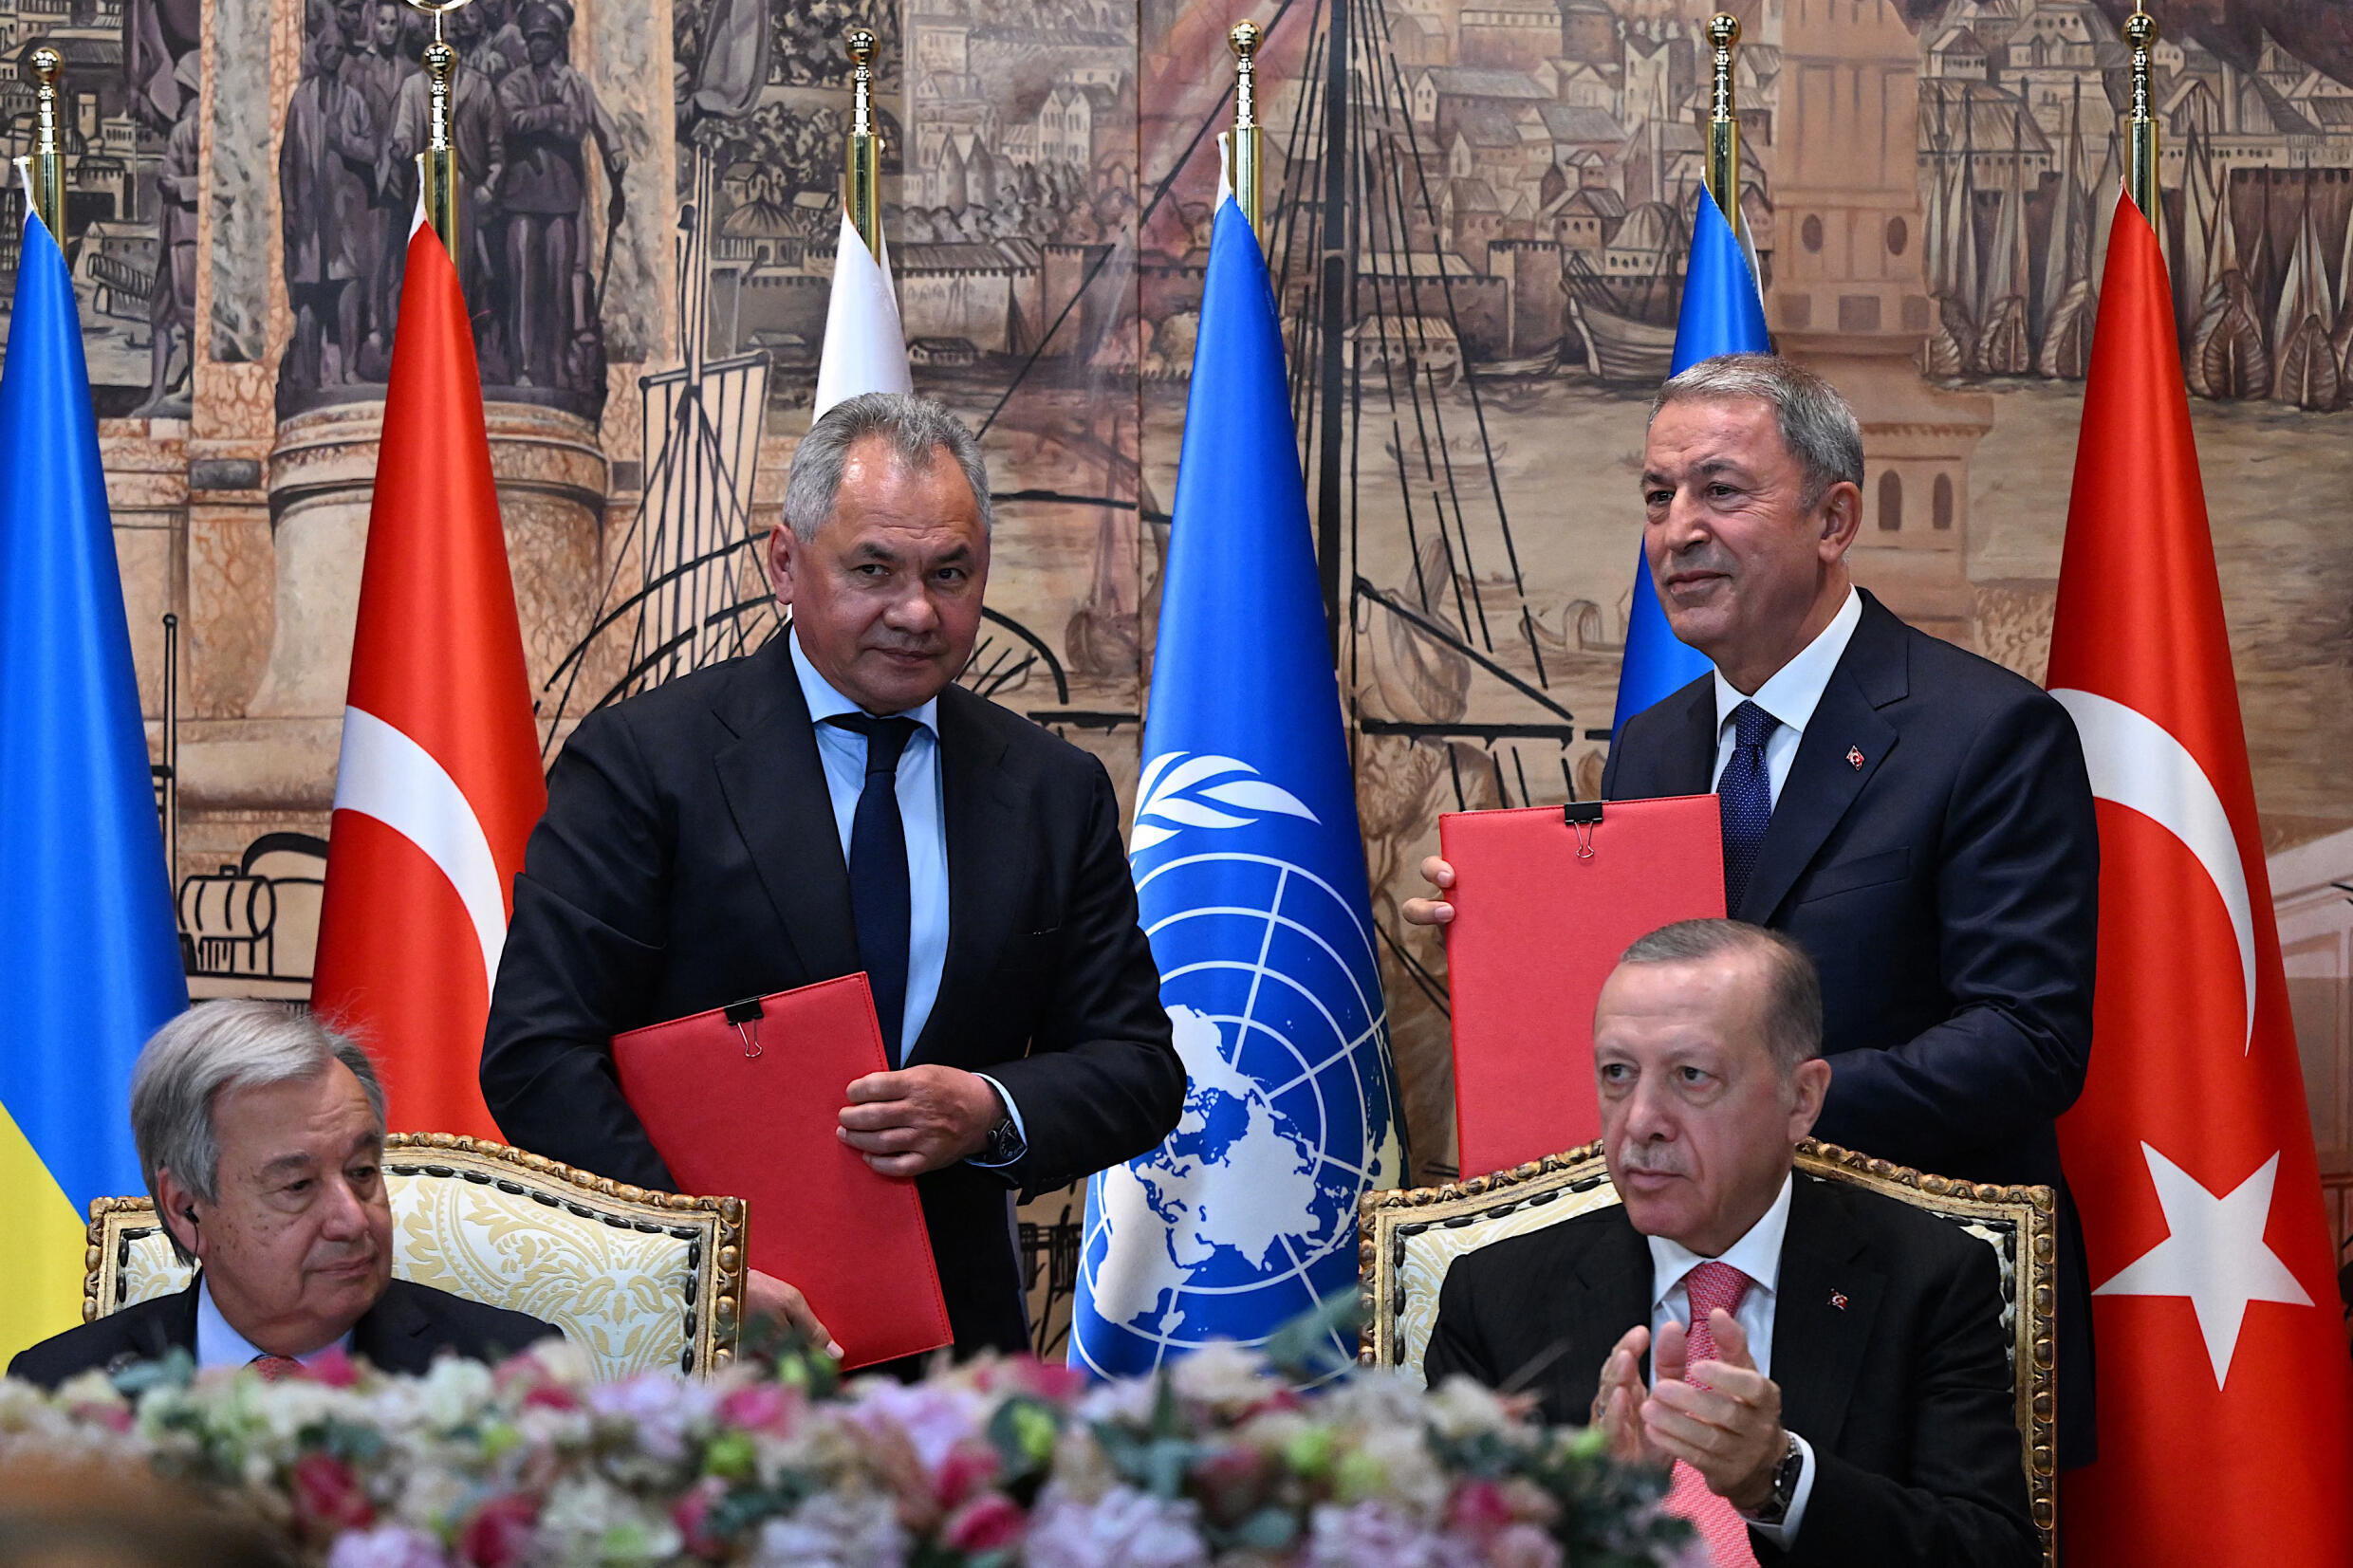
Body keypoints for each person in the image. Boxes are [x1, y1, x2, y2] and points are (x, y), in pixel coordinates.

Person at [1405, 354, 2099, 1464]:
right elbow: (1657, 1006)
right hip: (1669, 1313)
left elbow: (2026, 1043)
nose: (1677, 528)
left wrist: (1759, 1113)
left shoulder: (1987, 733)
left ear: (1832, 519)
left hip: (1899, 1322)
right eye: (1656, 496)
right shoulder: (1653, 743)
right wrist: (1504, 946)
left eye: (1719, 492)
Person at [481, 393, 1185, 1360]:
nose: (915, 612)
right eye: (872, 571)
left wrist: (988, 1108)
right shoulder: (647, 762)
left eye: (951, 574)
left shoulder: (1048, 791)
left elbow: (1138, 1069)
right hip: (690, 1358)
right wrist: (697, 1263)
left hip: (955, 1369)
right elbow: (536, 1052)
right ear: (784, 563)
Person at [1425, 921, 2037, 1567]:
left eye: (1691, 1074)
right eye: (1617, 1072)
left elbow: (1993, 1553)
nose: (1640, 1120)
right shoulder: (1494, 1295)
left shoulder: (1928, 1277)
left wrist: (1779, 1480)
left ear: (1801, 1099)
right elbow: (1423, 1551)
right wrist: (1586, 1515)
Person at [9, 1002, 559, 1390]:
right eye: (297, 1186)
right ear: (185, 1208)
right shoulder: (60, 1394)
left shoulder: (512, 1376)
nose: (352, 1221)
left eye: (363, 1172)